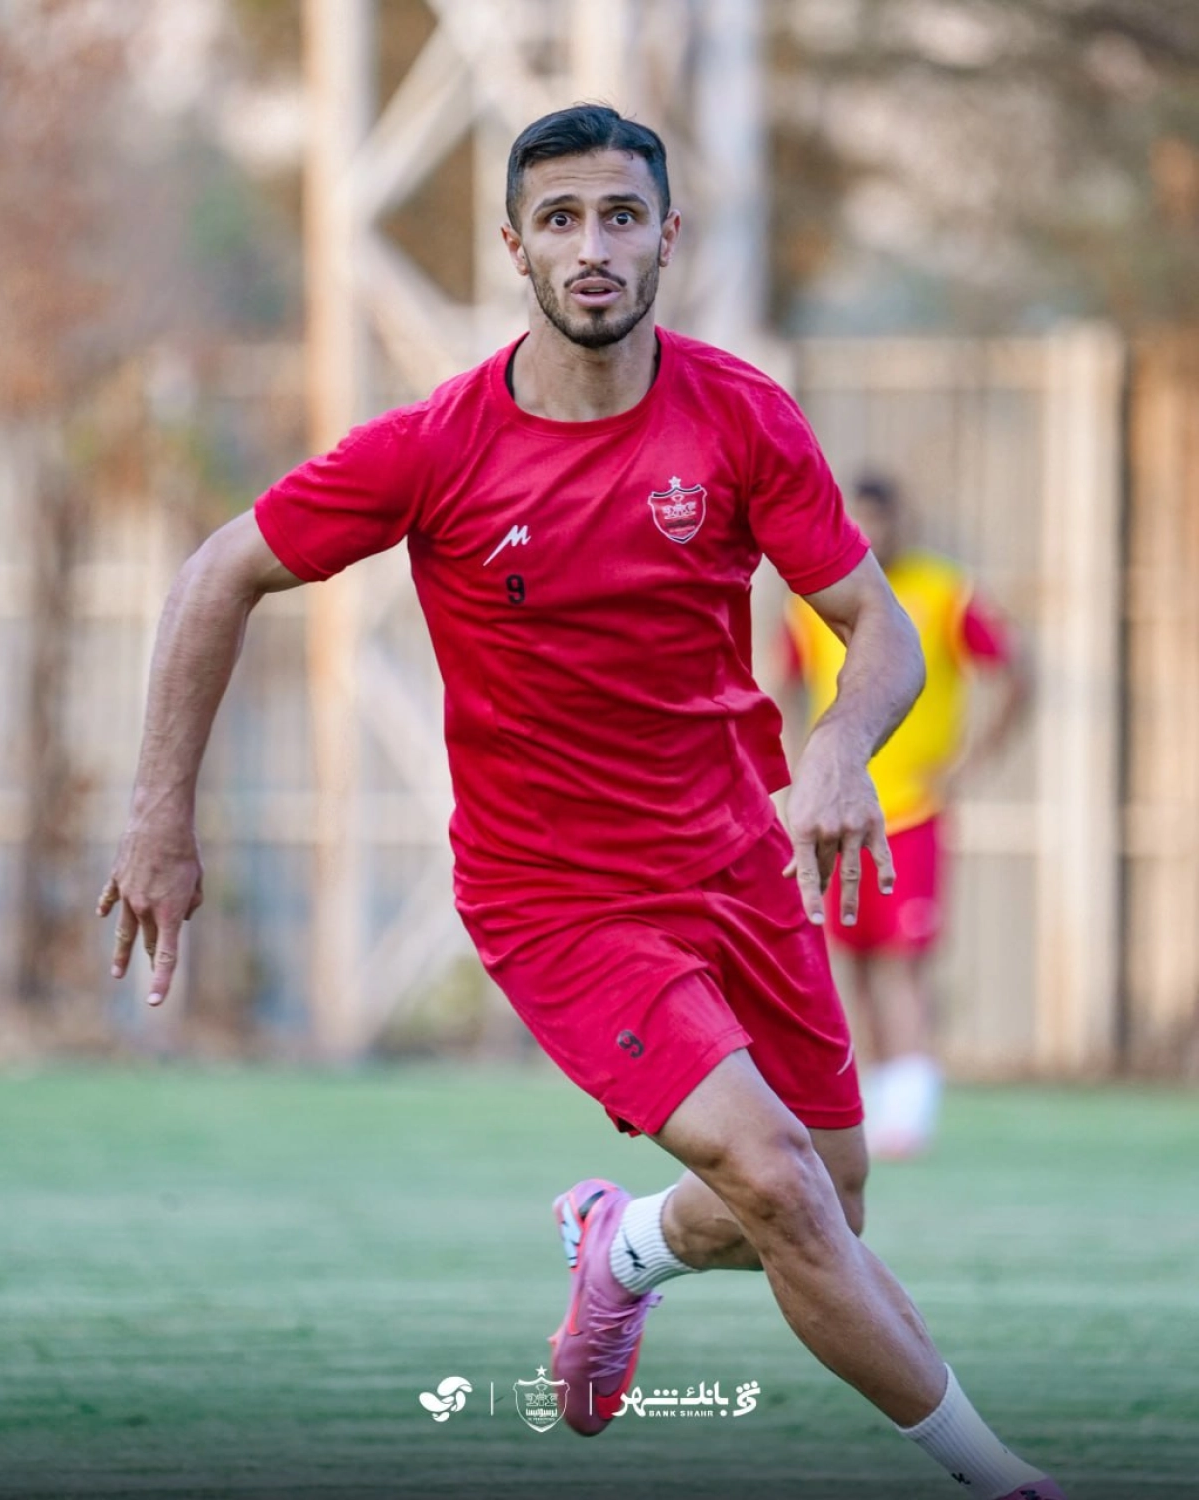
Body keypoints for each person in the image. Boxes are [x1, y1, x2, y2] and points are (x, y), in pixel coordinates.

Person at [97, 106, 1065, 1498]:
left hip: (737, 863)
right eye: (560, 219)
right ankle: (1005, 1477)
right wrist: (157, 820)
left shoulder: (740, 416)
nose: (592, 246)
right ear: (516, 247)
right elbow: (217, 573)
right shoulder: (438, 447)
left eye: (620, 216)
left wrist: (843, 746)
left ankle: (624, 1248)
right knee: (781, 1183)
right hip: (557, 899)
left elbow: (879, 624)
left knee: (831, 1201)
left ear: (669, 236)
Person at [784, 475, 1031, 1158]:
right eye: (858, 521)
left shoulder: (943, 592)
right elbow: (785, 680)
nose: (871, 534)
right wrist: (800, 768)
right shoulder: (812, 596)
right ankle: (869, 1100)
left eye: (880, 521)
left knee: (904, 963)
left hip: (913, 811)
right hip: (838, 807)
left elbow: (1016, 671)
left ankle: (910, 1107)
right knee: (853, 964)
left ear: (901, 522)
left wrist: (970, 763)